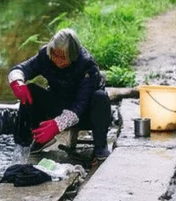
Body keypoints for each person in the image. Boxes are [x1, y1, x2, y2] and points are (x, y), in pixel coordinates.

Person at [8, 28, 112, 161]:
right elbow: (22, 68)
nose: (57, 60)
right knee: (30, 90)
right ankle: (28, 142)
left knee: (100, 97)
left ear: (72, 55)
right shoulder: (45, 57)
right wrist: (17, 81)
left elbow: (81, 104)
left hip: (86, 114)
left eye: (63, 57)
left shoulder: (87, 65)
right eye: (54, 55)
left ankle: (100, 146)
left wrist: (58, 124)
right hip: (58, 103)